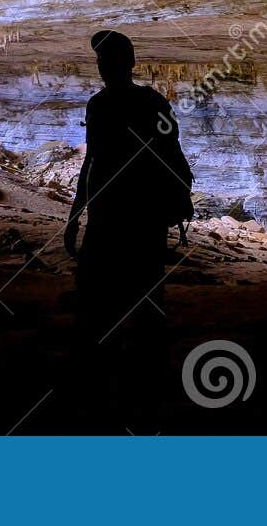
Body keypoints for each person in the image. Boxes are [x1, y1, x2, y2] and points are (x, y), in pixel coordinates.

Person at [65, 30, 193, 344]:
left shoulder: (105, 105)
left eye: (107, 59)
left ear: (128, 63)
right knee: (128, 294)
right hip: (131, 217)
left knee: (110, 297)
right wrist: (74, 216)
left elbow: (93, 162)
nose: (102, 66)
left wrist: (76, 215)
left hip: (126, 215)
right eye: (101, 59)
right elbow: (92, 161)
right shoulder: (143, 103)